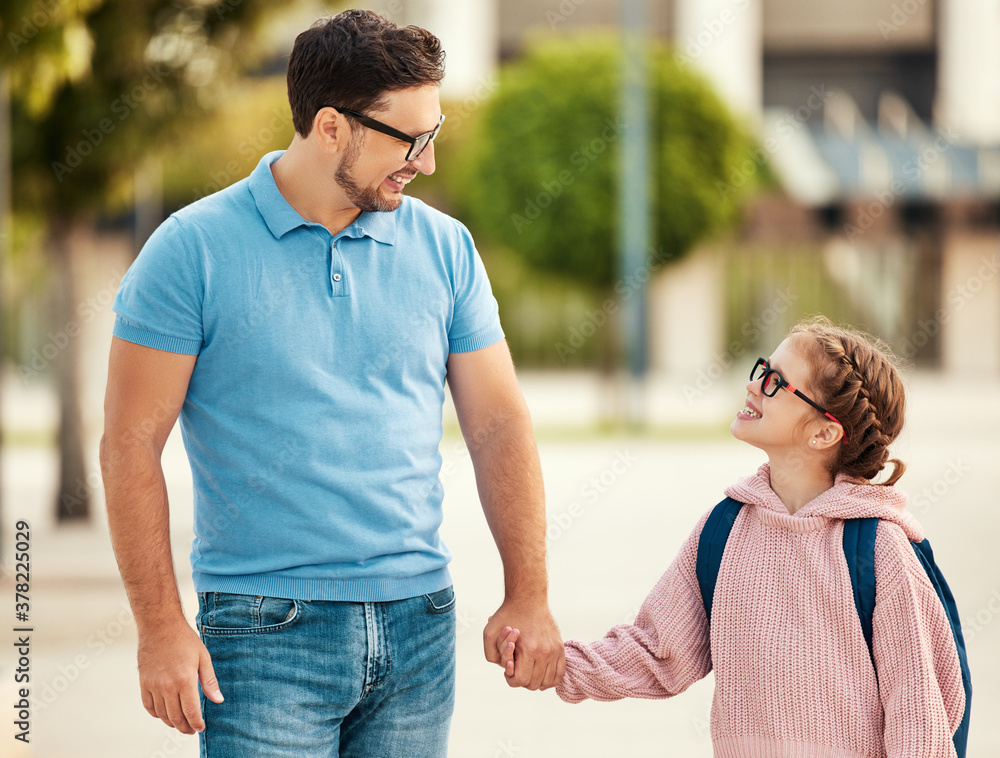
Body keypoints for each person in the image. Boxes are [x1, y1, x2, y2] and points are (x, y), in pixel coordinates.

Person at [100, 10, 563, 757]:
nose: (428, 163)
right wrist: (159, 629)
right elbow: (129, 442)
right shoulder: (191, 251)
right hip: (264, 634)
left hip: (419, 624)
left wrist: (528, 592)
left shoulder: (445, 247)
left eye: (434, 134)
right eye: (410, 141)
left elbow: (500, 425)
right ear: (330, 127)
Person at [498, 318, 966, 756]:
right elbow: (655, 651)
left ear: (824, 432)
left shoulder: (879, 550)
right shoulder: (725, 528)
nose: (752, 384)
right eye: (762, 368)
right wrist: (556, 663)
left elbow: (919, 722)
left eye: (775, 382)